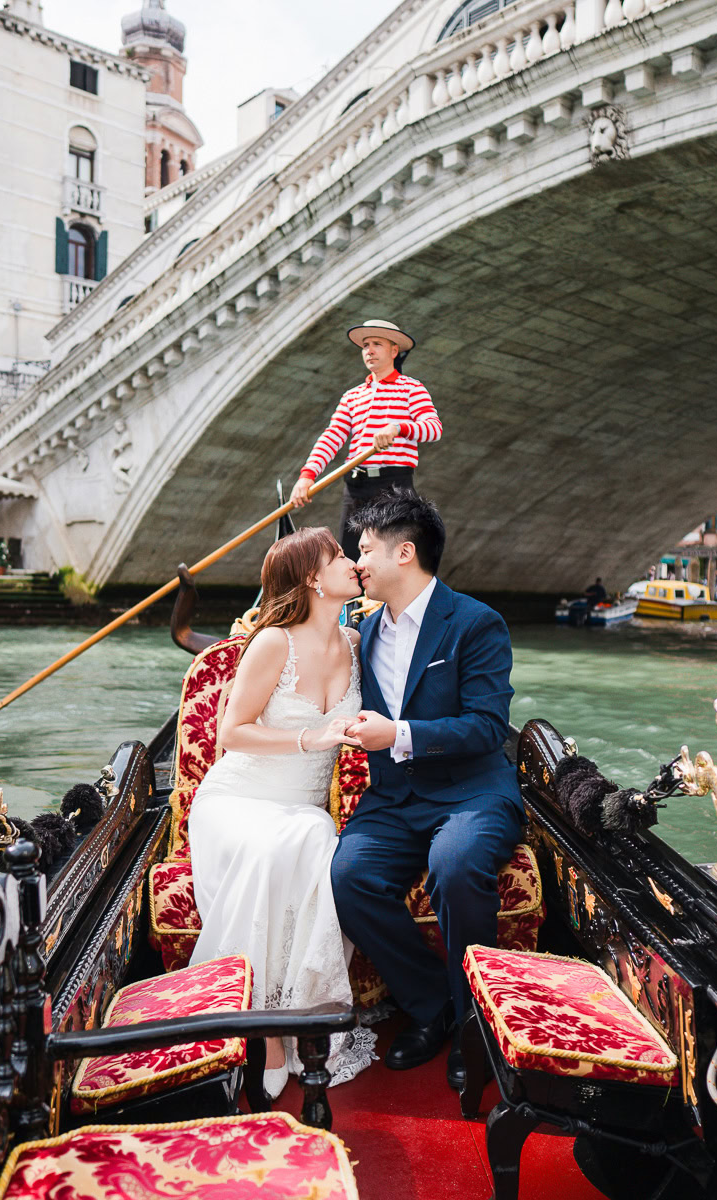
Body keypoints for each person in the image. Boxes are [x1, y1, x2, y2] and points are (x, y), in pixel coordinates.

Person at [331, 490, 519, 1094]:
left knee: (456, 861)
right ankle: (432, 1005)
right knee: (349, 875)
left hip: (471, 793)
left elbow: (489, 726)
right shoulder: (361, 629)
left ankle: (474, 1024)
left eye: (364, 550)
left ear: (404, 553)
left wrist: (400, 733)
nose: (357, 562)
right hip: (393, 799)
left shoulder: (475, 623)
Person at [185, 526, 378, 1099]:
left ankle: (300, 1015)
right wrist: (311, 739)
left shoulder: (356, 644)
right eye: (339, 556)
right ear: (314, 579)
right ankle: (269, 1029)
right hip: (237, 801)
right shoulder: (273, 642)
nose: (351, 562)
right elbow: (230, 733)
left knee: (314, 836)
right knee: (295, 842)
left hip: (298, 808)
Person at [289, 319, 443, 560]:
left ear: (394, 350)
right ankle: (357, 598)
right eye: (365, 345)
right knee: (351, 555)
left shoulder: (412, 388)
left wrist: (397, 428)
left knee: (393, 554)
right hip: (356, 485)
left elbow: (433, 429)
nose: (369, 350)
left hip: (394, 485)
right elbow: (332, 436)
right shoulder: (352, 396)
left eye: (377, 344)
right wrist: (307, 476)